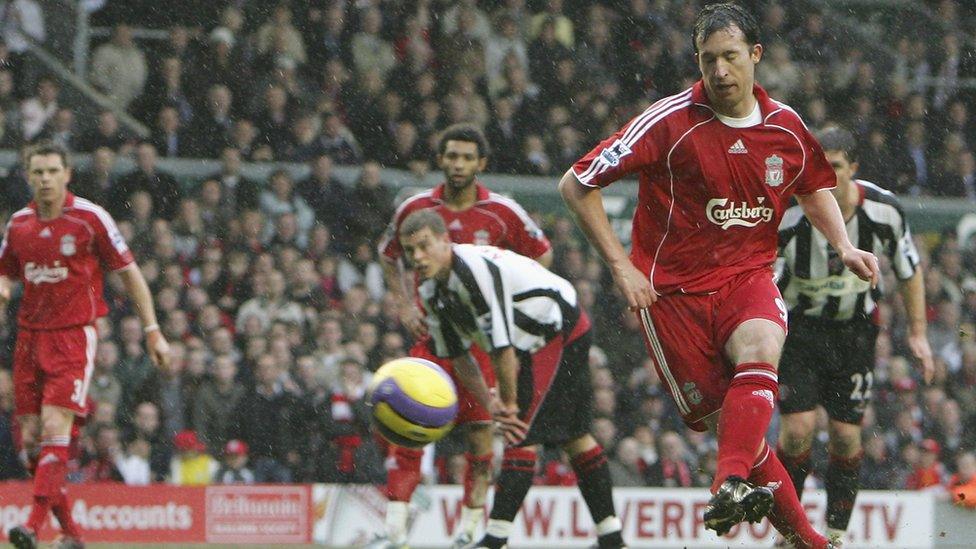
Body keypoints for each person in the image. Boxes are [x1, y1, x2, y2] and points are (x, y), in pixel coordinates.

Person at [559, 4, 878, 548]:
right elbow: (575, 184)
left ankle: (727, 486)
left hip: (747, 275)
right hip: (672, 296)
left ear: (755, 55)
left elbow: (810, 183)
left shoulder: (786, 127)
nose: (721, 72)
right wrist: (621, 267)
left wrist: (843, 245)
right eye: (709, 61)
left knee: (762, 342)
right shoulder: (669, 122)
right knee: (736, 433)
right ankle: (806, 539)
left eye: (731, 57)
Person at [398, 210, 626, 549]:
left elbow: (502, 349)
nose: (417, 257)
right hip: (540, 336)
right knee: (575, 436)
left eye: (423, 246)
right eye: (410, 251)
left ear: (446, 241)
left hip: (557, 327)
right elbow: (461, 357)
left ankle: (495, 539)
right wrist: (491, 401)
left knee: (520, 432)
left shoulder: (471, 273)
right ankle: (611, 537)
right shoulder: (431, 292)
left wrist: (506, 405)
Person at [373, 124, 552, 548]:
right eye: (451, 156)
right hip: (433, 333)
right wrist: (402, 304)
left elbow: (542, 254)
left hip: (482, 339)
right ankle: (394, 528)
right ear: (441, 159)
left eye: (467, 158)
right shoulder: (416, 208)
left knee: (480, 430)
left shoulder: (502, 211)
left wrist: (513, 309)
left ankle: (471, 527)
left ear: (481, 164)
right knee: (408, 420)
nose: (458, 164)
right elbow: (387, 254)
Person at [1, 142, 171, 549]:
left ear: (67, 174)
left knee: (55, 427)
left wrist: (152, 330)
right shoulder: (19, 225)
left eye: (52, 171)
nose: (44, 179)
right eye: (37, 172)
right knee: (29, 443)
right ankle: (73, 535)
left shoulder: (91, 219)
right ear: (28, 175)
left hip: (73, 336)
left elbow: (130, 274)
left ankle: (33, 524)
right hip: (28, 338)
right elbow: (5, 274)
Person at [775, 126, 934, 543]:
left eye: (837, 166)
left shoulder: (883, 209)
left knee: (846, 436)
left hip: (855, 333)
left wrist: (917, 333)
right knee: (795, 432)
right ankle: (791, 531)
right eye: (820, 166)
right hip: (800, 331)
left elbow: (909, 270)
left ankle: (835, 532)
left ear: (854, 168)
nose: (827, 176)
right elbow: (760, 274)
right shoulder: (789, 211)